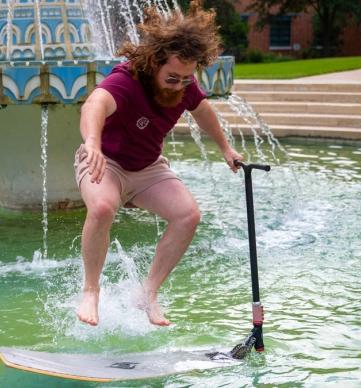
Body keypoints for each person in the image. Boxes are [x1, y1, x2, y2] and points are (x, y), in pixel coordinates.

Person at [74, 1, 243, 327]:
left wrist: (225, 149)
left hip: (148, 168)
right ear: (154, 63)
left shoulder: (184, 83)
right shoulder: (127, 80)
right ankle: (91, 291)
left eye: (185, 79)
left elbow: (203, 111)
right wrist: (92, 144)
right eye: (172, 78)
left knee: (188, 215)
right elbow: (94, 104)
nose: (179, 85)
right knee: (102, 208)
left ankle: (147, 293)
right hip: (105, 163)